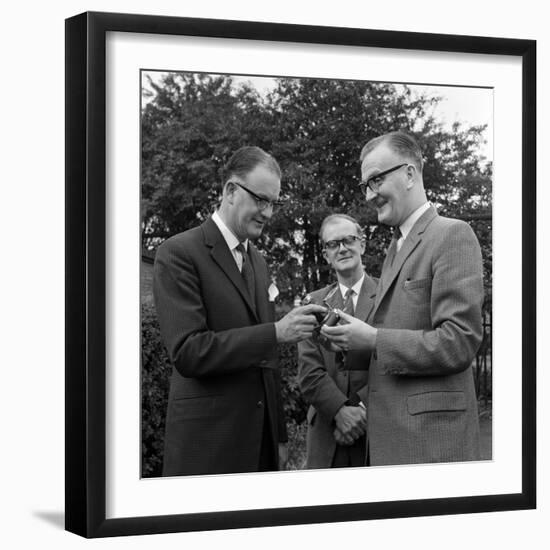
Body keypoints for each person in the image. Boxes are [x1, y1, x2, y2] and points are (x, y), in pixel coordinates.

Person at [153, 146, 325, 476]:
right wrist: (276, 332)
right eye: (261, 199)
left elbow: (266, 360)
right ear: (230, 191)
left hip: (260, 447)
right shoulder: (178, 253)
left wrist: (279, 436)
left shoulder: (257, 261)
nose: (268, 212)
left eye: (273, 202)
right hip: (207, 448)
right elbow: (189, 352)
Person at [321, 131, 484, 466]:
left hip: (430, 444)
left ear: (410, 174)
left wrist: (374, 339)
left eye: (376, 180)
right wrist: (349, 341)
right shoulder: (395, 247)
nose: (369, 194)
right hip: (393, 440)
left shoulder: (452, 234)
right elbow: (397, 332)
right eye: (365, 184)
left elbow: (459, 342)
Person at [297, 214, 377, 469]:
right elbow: (309, 372)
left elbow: (391, 360)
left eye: (348, 240)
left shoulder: (389, 296)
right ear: (325, 254)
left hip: (375, 433)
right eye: (333, 244)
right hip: (326, 431)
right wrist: (340, 411)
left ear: (362, 244)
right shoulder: (313, 304)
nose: (342, 248)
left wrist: (362, 411)